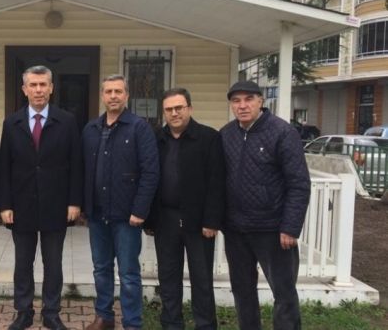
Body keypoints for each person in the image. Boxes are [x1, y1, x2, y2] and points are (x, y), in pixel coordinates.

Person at [220, 80, 310, 330]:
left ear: (261, 101)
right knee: (242, 291)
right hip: (236, 230)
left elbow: (299, 183)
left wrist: (290, 227)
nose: (242, 105)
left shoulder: (283, 133)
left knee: (283, 292)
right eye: (236, 101)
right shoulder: (226, 135)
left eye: (248, 99)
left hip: (273, 230)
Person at [0, 65, 83, 330]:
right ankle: (23, 312)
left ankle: (51, 312)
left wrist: (74, 201)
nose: (38, 90)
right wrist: (5, 204)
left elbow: (76, 164)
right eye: (33, 85)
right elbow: (4, 166)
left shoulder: (67, 121)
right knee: (23, 263)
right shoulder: (12, 123)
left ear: (51, 88)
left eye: (43, 84)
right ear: (24, 89)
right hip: (21, 204)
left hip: (56, 204)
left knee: (53, 263)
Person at [81, 74, 158, 330]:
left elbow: (150, 172)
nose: (113, 96)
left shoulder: (139, 128)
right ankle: (104, 317)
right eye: (108, 91)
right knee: (101, 269)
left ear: (127, 95)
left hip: (127, 216)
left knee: (128, 273)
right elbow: (83, 170)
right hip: (97, 214)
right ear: (102, 95)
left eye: (118, 91)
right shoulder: (91, 129)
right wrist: (84, 206)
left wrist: (140, 210)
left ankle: (132, 323)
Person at [144, 88, 225, 330]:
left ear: (189, 108)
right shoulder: (156, 138)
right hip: (165, 219)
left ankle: (205, 325)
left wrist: (212, 220)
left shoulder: (209, 138)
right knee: (168, 277)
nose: (174, 113)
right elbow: (149, 178)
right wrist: (150, 220)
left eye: (179, 108)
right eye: (169, 109)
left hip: (199, 221)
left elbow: (217, 182)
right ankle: (171, 323)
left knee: (202, 279)